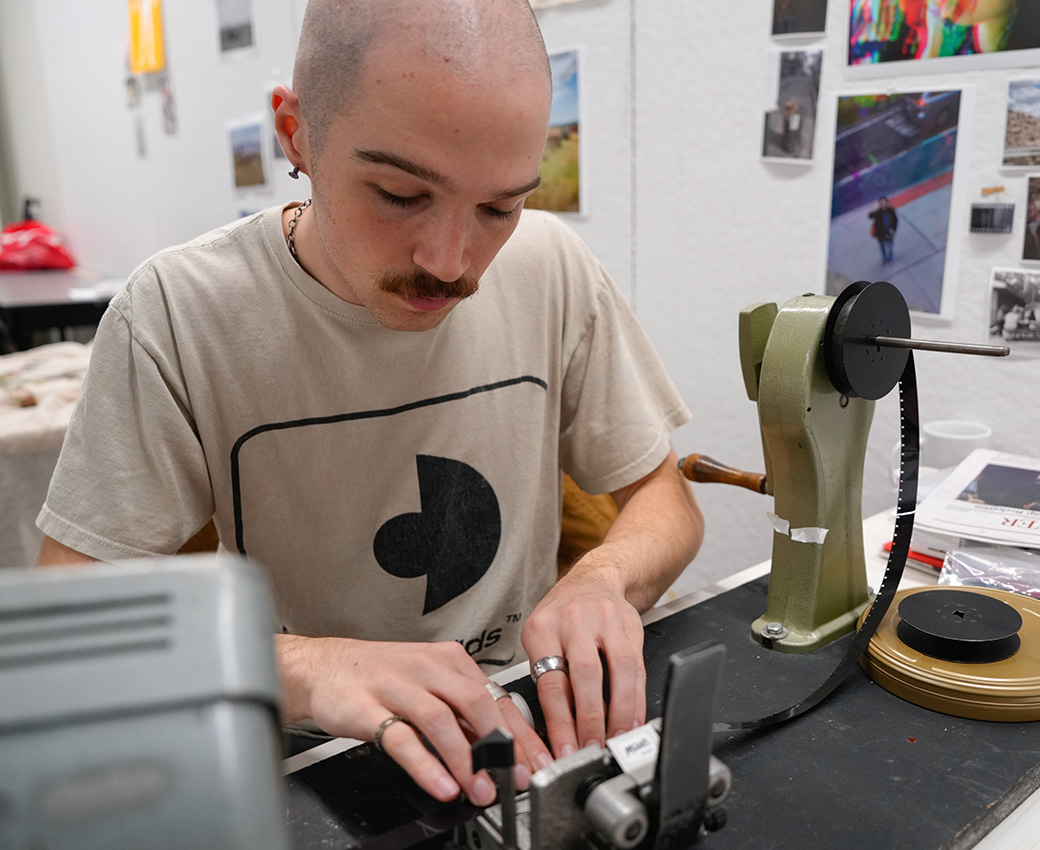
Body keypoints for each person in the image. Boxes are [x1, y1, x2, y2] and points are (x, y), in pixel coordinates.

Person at [35, 0, 703, 811]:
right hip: (314, 752)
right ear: (296, 135)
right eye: (398, 193)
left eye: (500, 206)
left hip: (528, 724)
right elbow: (72, 634)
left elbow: (663, 500)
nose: (452, 263)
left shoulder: (550, 266)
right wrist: (309, 667)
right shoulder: (179, 315)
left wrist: (604, 579)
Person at [868, 196, 898, 262]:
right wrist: (874, 210)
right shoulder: (878, 212)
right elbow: (870, 216)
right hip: (880, 232)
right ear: (879, 205)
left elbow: (895, 220)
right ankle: (884, 256)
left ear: (887, 203)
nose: (883, 205)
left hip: (889, 231)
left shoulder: (890, 211)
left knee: (890, 244)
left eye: (884, 203)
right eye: (882, 204)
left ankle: (890, 255)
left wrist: (893, 229)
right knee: (882, 246)